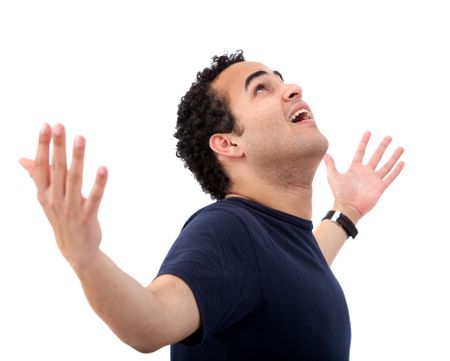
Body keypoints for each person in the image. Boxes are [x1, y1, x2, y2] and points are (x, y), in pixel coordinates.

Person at [20, 50, 404, 360]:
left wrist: (347, 210)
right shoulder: (229, 229)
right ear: (228, 143)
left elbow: (291, 271)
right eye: (261, 89)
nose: (293, 90)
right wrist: (85, 259)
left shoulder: (273, 243)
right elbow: (152, 322)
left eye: (282, 82)